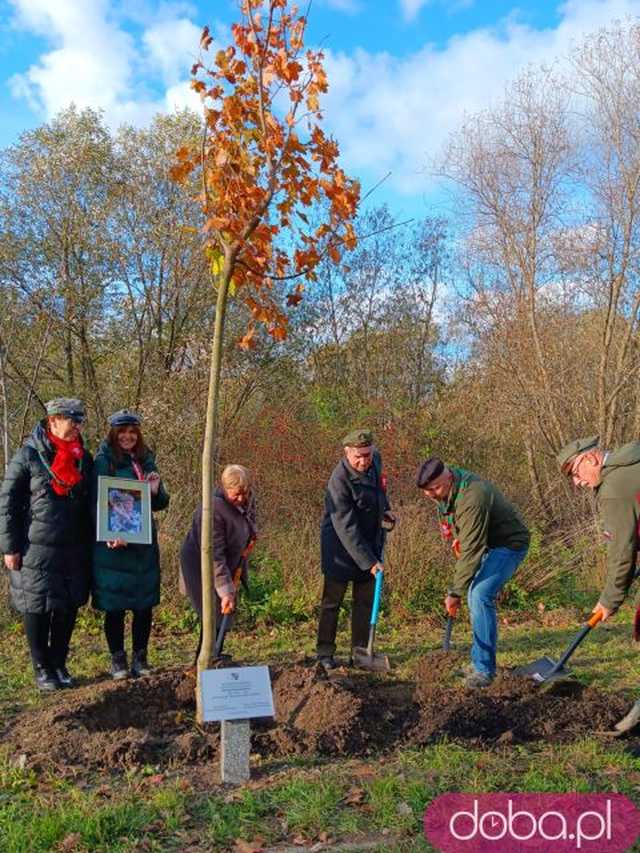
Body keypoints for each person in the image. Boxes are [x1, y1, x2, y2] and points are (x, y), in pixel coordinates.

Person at [0, 398, 93, 691]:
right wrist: (9, 547)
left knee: (67, 607)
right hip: (35, 548)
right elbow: (8, 504)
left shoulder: (84, 458)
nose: (76, 425)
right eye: (70, 419)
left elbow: (94, 501)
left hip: (74, 547)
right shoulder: (28, 456)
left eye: (79, 420)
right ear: (52, 420)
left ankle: (59, 662)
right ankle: (42, 667)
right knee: (37, 606)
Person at [417, 457, 529, 688]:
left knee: (478, 596)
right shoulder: (448, 488)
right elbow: (457, 523)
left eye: (435, 487)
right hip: (488, 544)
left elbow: (472, 550)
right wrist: (458, 535)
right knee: (473, 595)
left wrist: (454, 592)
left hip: (509, 544)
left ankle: (484, 670)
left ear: (448, 476)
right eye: (427, 490)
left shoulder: (473, 494)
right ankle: (478, 661)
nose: (431, 494)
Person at [92, 410, 169, 679]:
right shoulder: (102, 462)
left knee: (143, 605)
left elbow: (158, 504)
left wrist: (157, 490)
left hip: (142, 546)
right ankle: (118, 661)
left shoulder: (146, 460)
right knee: (115, 606)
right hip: (114, 547)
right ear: (114, 434)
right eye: (122, 432)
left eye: (132, 432)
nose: (128, 437)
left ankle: (140, 658)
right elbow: (96, 503)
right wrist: (109, 532)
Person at [317, 430, 394, 672]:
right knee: (332, 603)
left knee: (364, 602)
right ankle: (325, 652)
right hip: (339, 549)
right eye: (358, 456)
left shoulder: (375, 461)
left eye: (367, 455)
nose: (364, 461)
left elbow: (379, 492)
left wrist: (386, 511)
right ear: (347, 453)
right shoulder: (338, 481)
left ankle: (360, 652)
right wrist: (369, 561)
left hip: (370, 542)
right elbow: (345, 526)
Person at [557, 435, 640, 623]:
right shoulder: (632, 459)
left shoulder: (614, 489)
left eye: (575, 473)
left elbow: (621, 550)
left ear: (590, 459)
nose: (576, 482)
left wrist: (609, 600)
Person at [180, 464, 257, 662]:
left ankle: (215, 654)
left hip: (229, 561)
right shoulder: (211, 510)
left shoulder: (247, 499)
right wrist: (225, 589)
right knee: (212, 612)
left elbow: (250, 522)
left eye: (245, 493)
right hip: (201, 564)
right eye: (236, 494)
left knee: (225, 613)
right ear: (224, 488)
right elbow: (214, 555)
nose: (242, 498)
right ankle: (204, 660)